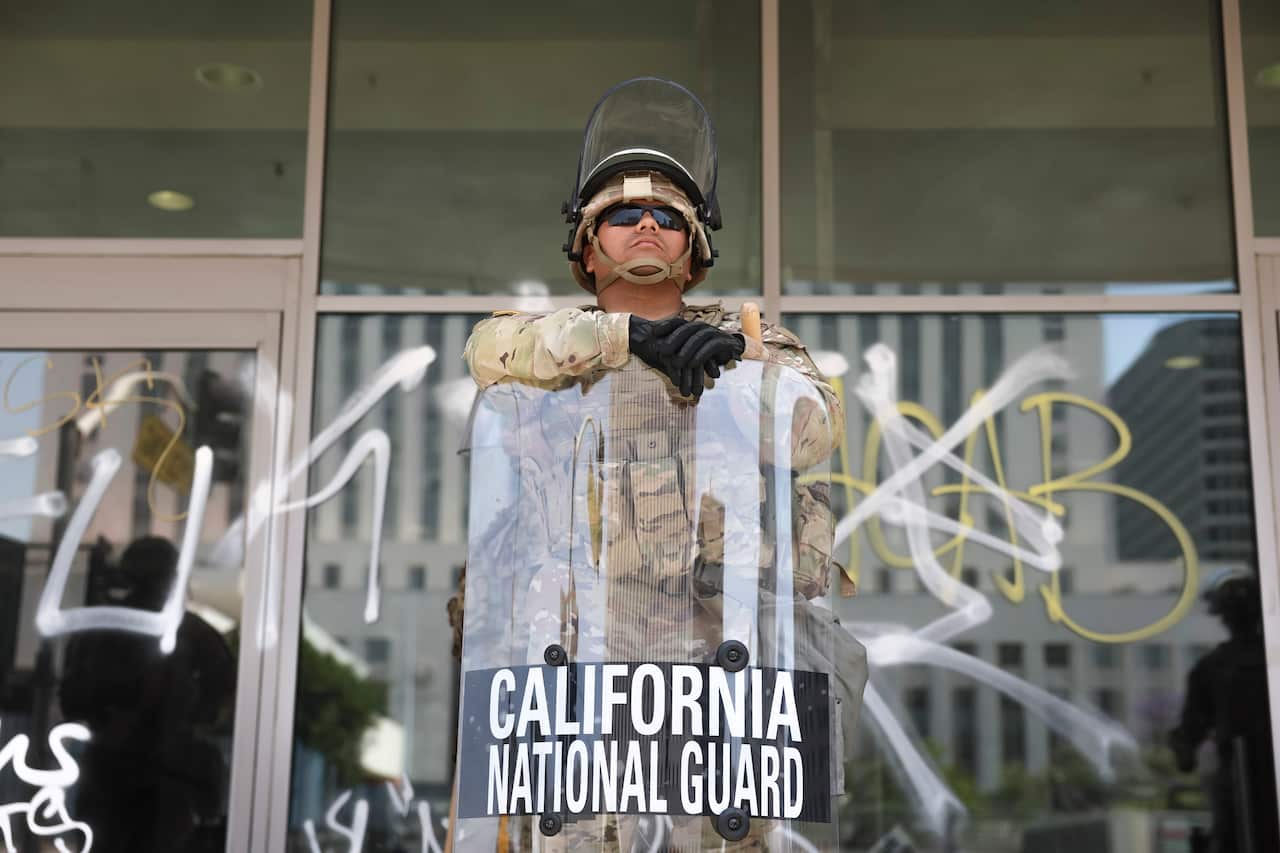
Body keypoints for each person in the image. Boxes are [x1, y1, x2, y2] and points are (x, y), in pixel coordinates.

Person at [454, 78, 865, 851]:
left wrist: (741, 372)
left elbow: (815, 428)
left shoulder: (753, 342)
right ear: (587, 242)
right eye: (621, 213)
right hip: (576, 687)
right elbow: (487, 352)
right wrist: (621, 342)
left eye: (666, 215)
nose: (645, 223)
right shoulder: (550, 347)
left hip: (717, 683)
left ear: (694, 246)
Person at [1169, 572, 1278, 853]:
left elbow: (1188, 741)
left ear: (1224, 617)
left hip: (1237, 780)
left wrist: (1183, 748)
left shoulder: (1211, 668)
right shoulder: (1216, 668)